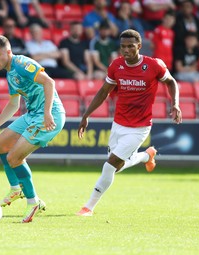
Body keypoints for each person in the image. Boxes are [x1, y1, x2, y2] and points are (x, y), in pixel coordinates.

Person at [76, 29, 182, 217]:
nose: (126, 50)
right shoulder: (116, 66)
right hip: (118, 124)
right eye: (123, 47)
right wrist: (86, 115)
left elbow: (171, 82)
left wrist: (175, 104)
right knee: (116, 166)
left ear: (139, 46)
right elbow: (104, 92)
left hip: (140, 127)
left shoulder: (153, 65)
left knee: (110, 165)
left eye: (130, 46)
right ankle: (146, 156)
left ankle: (88, 207)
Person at [0, 35, 66, 223]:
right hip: (32, 114)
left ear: (8, 52)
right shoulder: (10, 73)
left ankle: (33, 202)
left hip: (50, 114)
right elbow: (13, 105)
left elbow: (49, 82)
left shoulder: (22, 63)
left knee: (14, 158)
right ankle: (16, 188)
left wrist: (47, 113)